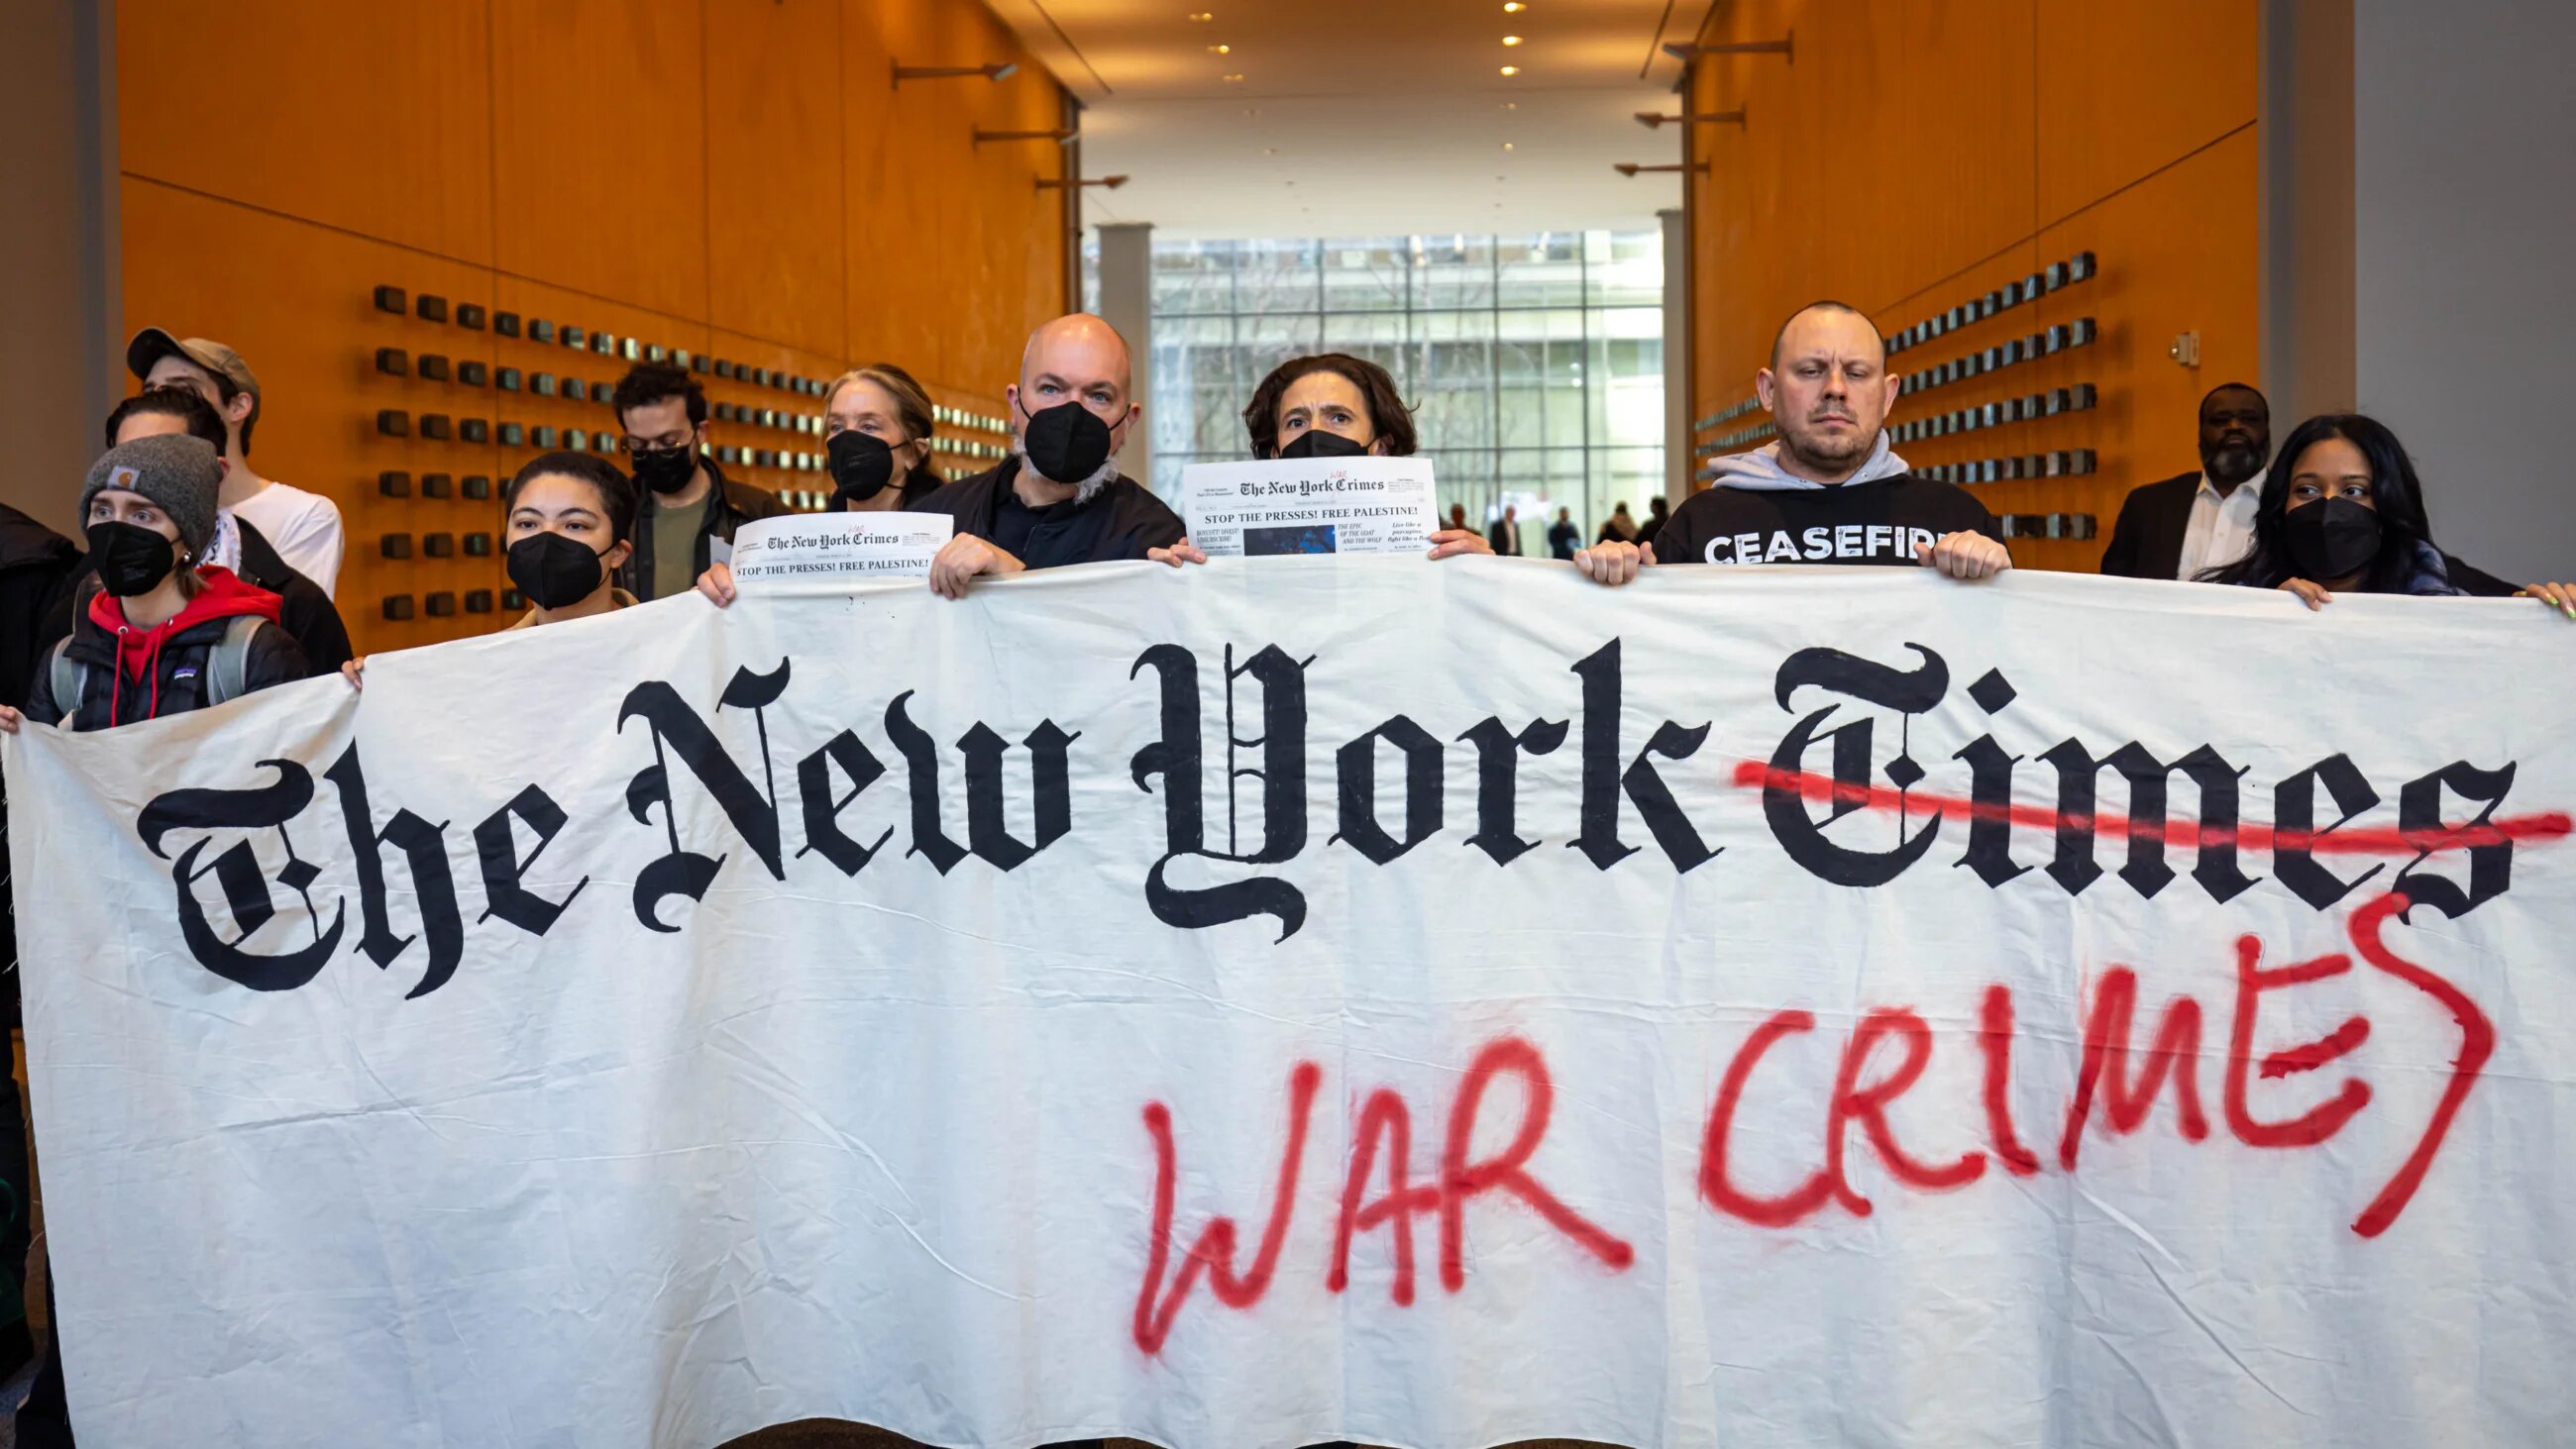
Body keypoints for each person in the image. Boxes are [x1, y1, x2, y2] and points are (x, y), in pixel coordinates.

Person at [1577, 300, 2008, 586]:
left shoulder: (1956, 519)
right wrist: (1612, 580)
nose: (1836, 389)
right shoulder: (1701, 525)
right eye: (1810, 371)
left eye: (1857, 373)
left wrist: (1997, 581)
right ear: (1767, 391)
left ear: (1888, 395)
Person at [0, 434, 307, 734]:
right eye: (103, 510)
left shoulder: (253, 651)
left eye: (143, 515)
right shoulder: (65, 661)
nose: (115, 529)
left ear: (187, 537)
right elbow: (41, 777)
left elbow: (291, 769)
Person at [36, 389, 353, 673]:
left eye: (161, 458)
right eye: (123, 457)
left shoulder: (290, 603)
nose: (136, 473)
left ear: (211, 476)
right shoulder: (74, 607)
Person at [915, 314, 1184, 598]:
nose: (1071, 413)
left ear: (1128, 421)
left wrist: (1018, 581)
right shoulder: (938, 517)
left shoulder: (1154, 538)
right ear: (1015, 405)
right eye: (1051, 389)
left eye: (1099, 396)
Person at [2204, 414, 2575, 617]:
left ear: (2386, 505)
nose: (2329, 506)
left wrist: (2544, 620)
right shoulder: (2224, 605)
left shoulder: (2451, 604)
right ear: (2280, 506)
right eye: (2308, 490)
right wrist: (2262, 614)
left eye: (2353, 491)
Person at [1146, 353, 1489, 568]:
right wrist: (1175, 577)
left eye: (1338, 417)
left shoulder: (1440, 544)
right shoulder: (1227, 550)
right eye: (1296, 422)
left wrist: (1486, 576)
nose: (1314, 433)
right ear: (1276, 451)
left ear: (1381, 447)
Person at [344, 452, 638, 689]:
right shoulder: (484, 670)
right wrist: (370, 689)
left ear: (618, 552)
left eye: (575, 525)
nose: (546, 539)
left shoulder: (667, 646)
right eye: (527, 523)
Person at [692, 363, 948, 607]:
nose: (848, 438)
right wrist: (721, 589)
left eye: (869, 426)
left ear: (914, 453)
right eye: (836, 426)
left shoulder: (950, 539)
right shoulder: (805, 546)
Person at [129, 328, 345, 596]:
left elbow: (287, 627)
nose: (159, 403)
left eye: (183, 389)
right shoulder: (134, 509)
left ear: (237, 407)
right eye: (150, 391)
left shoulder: (304, 515)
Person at [614, 362, 788, 603]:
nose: (654, 453)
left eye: (669, 442)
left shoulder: (756, 512)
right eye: (638, 445)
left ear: (702, 432)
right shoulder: (615, 513)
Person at [2099, 382, 2270, 580]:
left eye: (2249, 419)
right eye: (2220, 420)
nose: (2234, 427)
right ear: (2200, 434)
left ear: (2267, 431)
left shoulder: (2289, 503)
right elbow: (2113, 588)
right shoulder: (2147, 505)